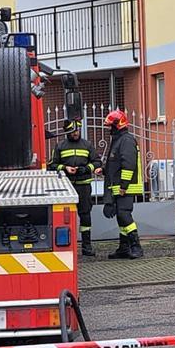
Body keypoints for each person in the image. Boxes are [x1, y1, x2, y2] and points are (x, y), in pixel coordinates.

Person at [47, 118, 100, 255]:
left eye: (77, 130)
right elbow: (52, 165)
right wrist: (65, 168)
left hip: (83, 186)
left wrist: (86, 169)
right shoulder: (60, 146)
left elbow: (97, 162)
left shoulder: (87, 145)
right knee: (64, 217)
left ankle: (86, 246)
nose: (76, 133)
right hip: (66, 188)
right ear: (67, 132)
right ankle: (66, 246)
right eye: (73, 131)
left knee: (85, 216)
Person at [102, 108, 145, 259]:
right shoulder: (119, 140)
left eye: (110, 126)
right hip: (119, 186)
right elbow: (115, 164)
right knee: (120, 217)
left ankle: (136, 246)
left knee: (124, 215)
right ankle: (124, 247)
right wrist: (103, 170)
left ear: (117, 125)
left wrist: (123, 186)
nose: (109, 129)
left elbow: (129, 164)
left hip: (125, 187)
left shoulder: (126, 140)